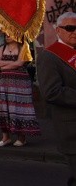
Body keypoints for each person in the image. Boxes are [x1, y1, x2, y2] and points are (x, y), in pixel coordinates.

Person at [37, 11, 76, 186]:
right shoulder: (49, 56)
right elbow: (51, 91)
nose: (74, 32)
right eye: (70, 28)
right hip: (72, 128)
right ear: (58, 30)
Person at [0, 32, 40, 147]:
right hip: (4, 82)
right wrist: (12, 64)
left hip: (20, 82)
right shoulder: (2, 48)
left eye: (10, 34)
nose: (7, 36)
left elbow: (20, 63)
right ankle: (6, 137)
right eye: (6, 34)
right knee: (2, 107)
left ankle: (21, 137)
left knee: (19, 107)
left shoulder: (24, 47)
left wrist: (3, 67)